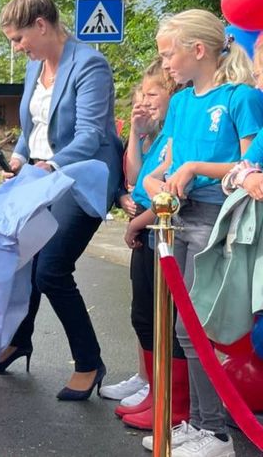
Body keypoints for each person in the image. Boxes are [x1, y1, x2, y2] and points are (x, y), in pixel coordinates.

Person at [0, 0, 123, 402]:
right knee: (23, 259)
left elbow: (89, 136)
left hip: (81, 179)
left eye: (19, 38)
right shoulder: (34, 67)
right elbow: (33, 129)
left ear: (42, 25)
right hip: (41, 178)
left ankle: (88, 362)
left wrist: (50, 165)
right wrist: (20, 159)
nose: (17, 47)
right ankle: (19, 340)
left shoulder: (90, 64)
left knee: (52, 270)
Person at [141, 9, 260, 457]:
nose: (166, 64)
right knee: (181, 328)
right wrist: (155, 184)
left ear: (198, 49)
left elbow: (251, 164)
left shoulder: (240, 98)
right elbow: (162, 165)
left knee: (195, 328)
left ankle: (214, 432)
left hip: (216, 218)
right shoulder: (184, 102)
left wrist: (194, 168)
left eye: (170, 54)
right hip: (178, 218)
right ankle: (199, 423)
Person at [113, 62, 189, 431]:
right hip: (144, 223)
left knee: (167, 321)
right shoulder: (155, 136)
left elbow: (168, 191)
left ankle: (174, 404)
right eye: (141, 95)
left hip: (157, 224)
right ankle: (156, 393)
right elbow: (133, 177)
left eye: (152, 94)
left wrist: (137, 222)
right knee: (144, 315)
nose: (145, 102)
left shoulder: (178, 134)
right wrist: (136, 133)